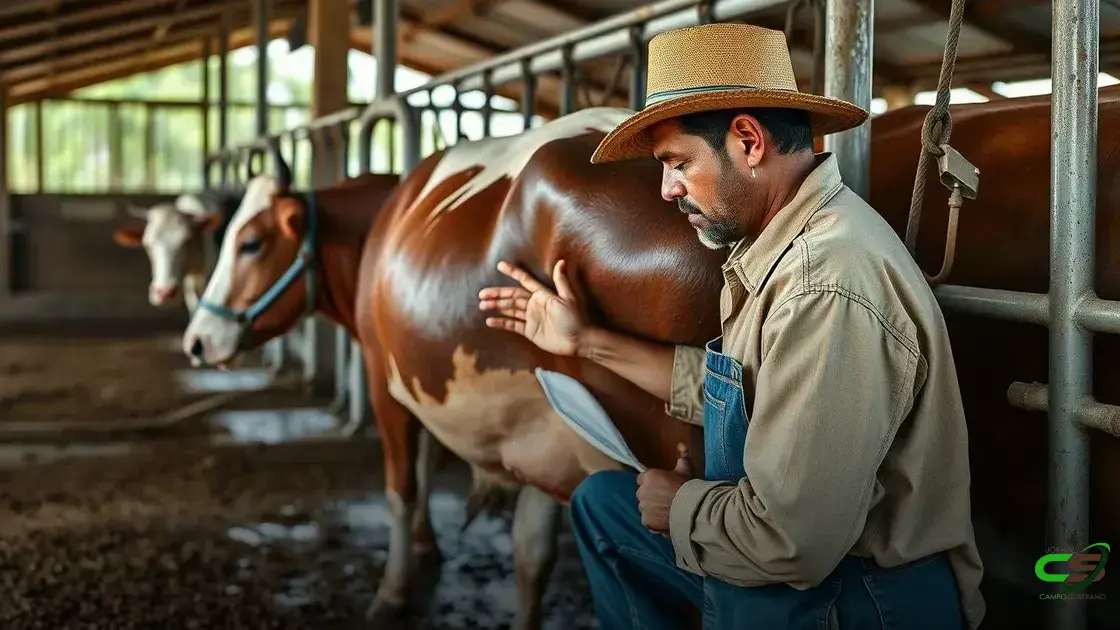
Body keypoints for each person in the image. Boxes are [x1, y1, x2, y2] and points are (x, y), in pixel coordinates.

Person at [478, 22, 985, 630]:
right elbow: (737, 390)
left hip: (859, 593)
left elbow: (794, 541)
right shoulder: (781, 244)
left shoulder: (825, 284)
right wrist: (584, 341)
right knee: (603, 505)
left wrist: (681, 505)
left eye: (677, 163)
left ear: (748, 140)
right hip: (819, 565)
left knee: (636, 514)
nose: (667, 190)